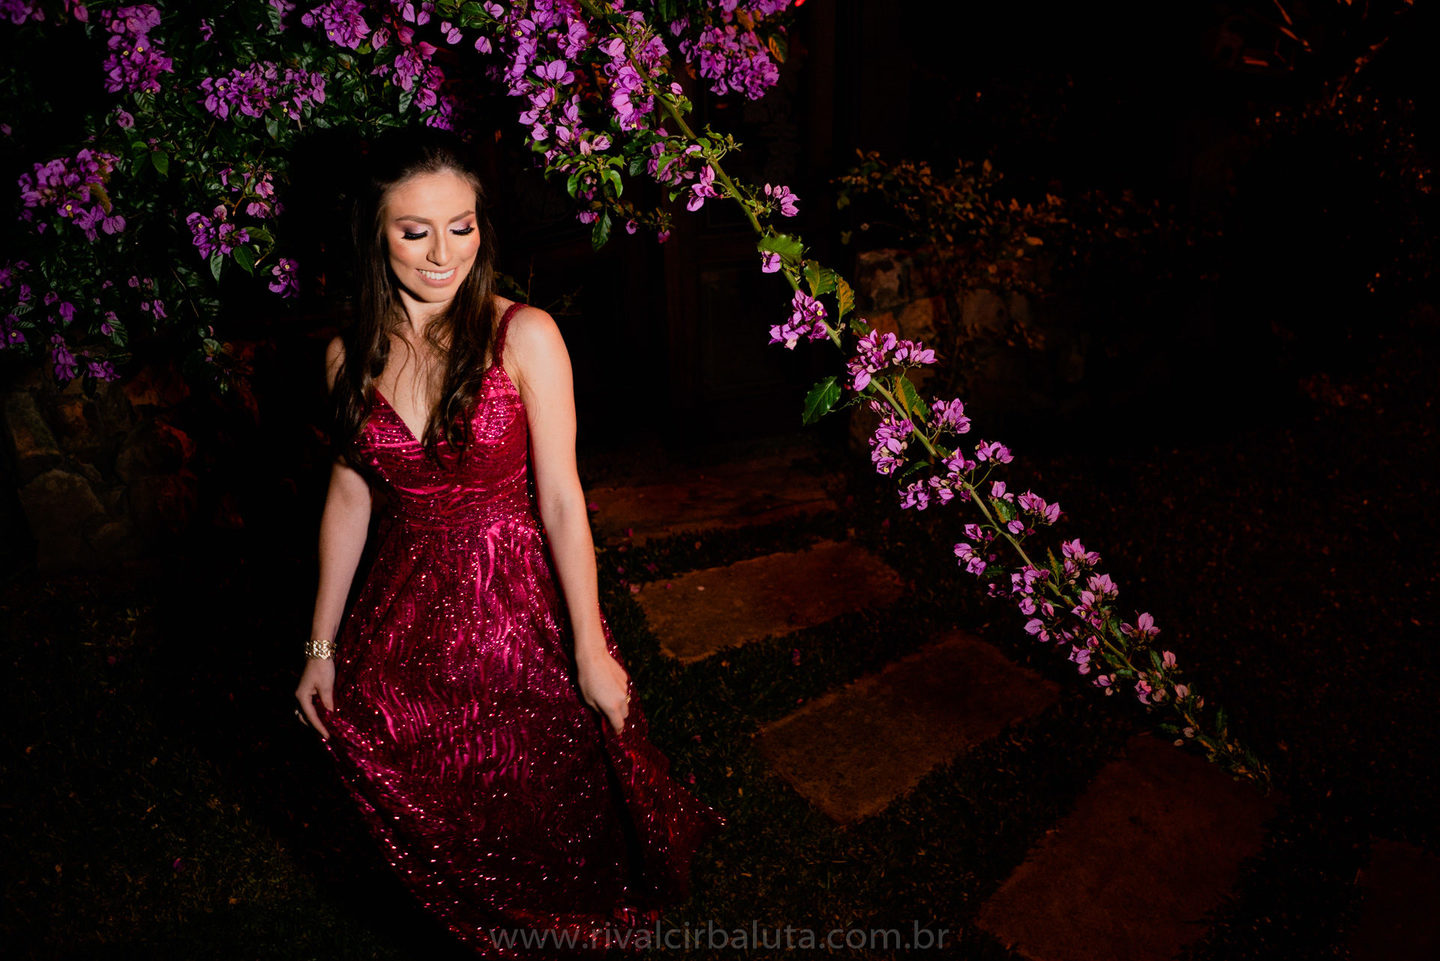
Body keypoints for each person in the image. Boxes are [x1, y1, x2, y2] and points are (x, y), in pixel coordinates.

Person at [294, 129, 725, 956]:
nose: (443, 253)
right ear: (375, 235)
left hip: (517, 610)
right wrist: (322, 645)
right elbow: (350, 492)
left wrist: (590, 648)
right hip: (405, 618)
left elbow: (561, 499)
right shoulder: (346, 356)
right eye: (415, 231)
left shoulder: (524, 335)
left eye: (461, 226)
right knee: (437, 791)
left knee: (550, 788)